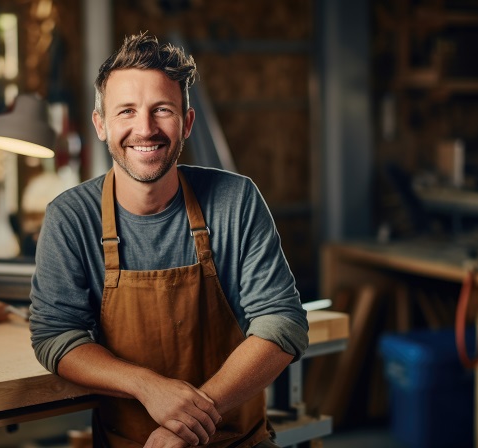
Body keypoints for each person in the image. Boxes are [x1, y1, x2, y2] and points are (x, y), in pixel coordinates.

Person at [30, 32, 309, 448]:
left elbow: (282, 322)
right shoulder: (71, 216)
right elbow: (56, 335)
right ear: (101, 124)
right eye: (126, 111)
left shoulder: (235, 200)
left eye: (162, 110)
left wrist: (187, 421)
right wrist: (147, 386)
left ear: (187, 122)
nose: (145, 128)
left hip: (235, 442)